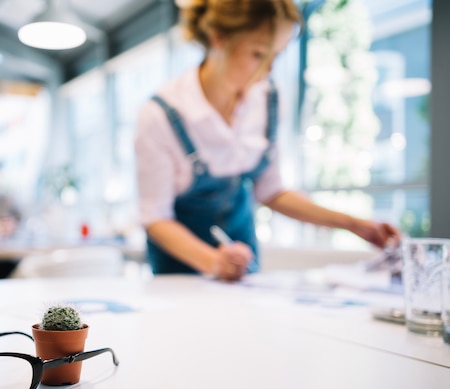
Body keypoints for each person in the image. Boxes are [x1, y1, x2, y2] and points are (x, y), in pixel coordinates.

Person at [134, 0, 400, 282]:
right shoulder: (161, 115)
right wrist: (213, 261)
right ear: (219, 38)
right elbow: (156, 218)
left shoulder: (268, 100)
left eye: (278, 55)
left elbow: (271, 191)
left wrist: (354, 224)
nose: (269, 69)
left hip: (243, 264)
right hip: (179, 274)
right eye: (258, 53)